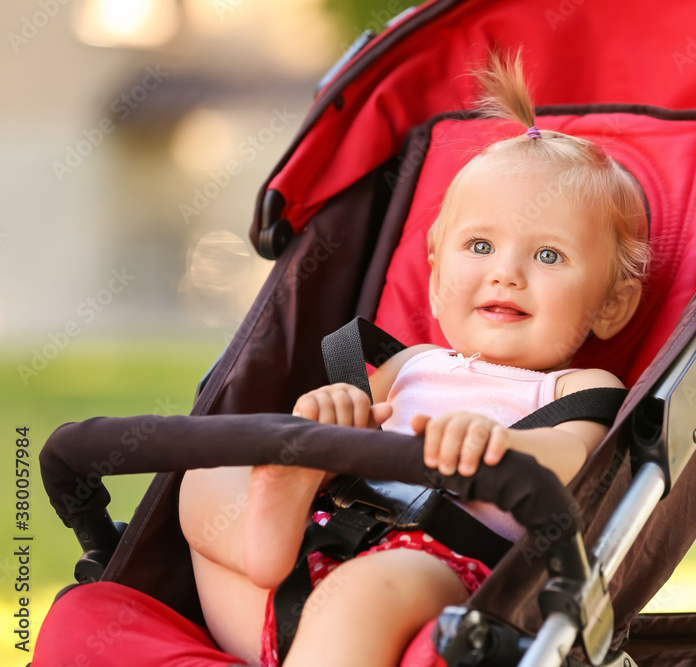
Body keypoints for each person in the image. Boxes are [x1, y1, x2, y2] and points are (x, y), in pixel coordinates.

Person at [178, 50, 651, 667]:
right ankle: (270, 527)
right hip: (308, 557)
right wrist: (328, 422)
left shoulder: (575, 388)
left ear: (612, 306)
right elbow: (352, 441)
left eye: (549, 256)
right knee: (202, 479)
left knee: (375, 586)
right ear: (434, 280)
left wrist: (497, 444)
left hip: (434, 574)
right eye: (480, 245)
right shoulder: (411, 365)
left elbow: (573, 461)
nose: (505, 273)